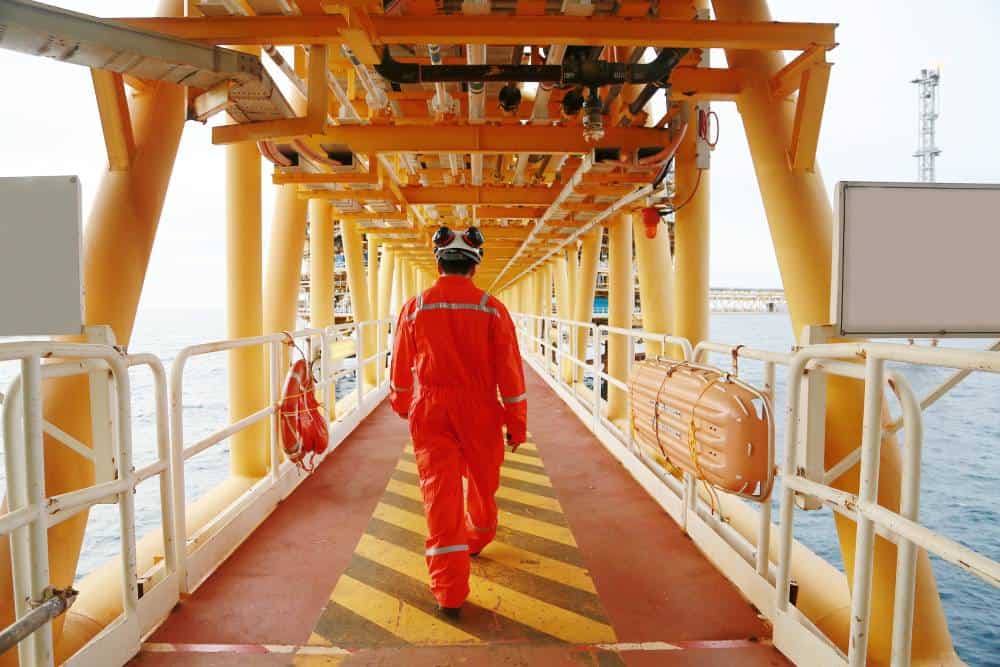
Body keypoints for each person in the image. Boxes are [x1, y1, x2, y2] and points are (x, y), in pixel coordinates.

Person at [389, 226, 527, 617]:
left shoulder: (415, 307)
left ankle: (448, 592)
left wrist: (403, 404)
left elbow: (399, 366)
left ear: (439, 262)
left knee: (440, 498)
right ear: (475, 266)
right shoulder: (492, 308)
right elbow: (510, 374)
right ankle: (479, 536)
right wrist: (517, 422)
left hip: (430, 410)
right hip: (481, 410)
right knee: (484, 483)